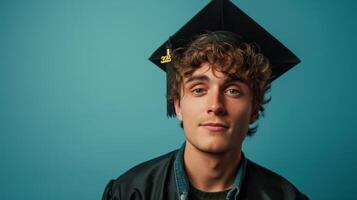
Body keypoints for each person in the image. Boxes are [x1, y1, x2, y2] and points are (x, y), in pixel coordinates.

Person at [102, 0, 308, 199]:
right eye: (199, 89)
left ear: (254, 108)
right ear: (177, 105)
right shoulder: (130, 193)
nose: (215, 106)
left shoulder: (286, 197)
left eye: (233, 91)